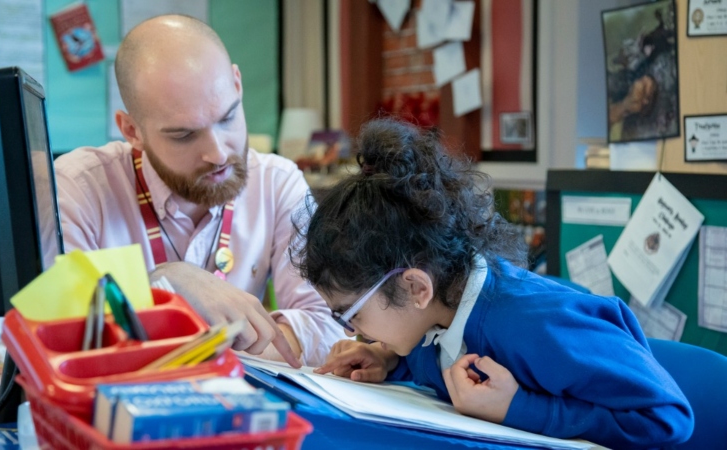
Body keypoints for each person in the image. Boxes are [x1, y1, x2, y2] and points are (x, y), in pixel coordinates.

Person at [293, 118, 694, 448]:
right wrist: (388, 361)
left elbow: (668, 417)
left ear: (416, 288)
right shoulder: (437, 318)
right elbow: (436, 363)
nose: (353, 331)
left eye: (352, 314)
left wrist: (518, 408)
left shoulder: (537, 327)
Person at [54, 15, 344, 367]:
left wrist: (194, 347)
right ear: (132, 130)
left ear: (237, 84)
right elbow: (63, 335)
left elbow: (329, 326)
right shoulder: (79, 187)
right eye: (184, 135)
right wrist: (163, 281)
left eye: (228, 118)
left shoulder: (277, 183)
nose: (219, 153)